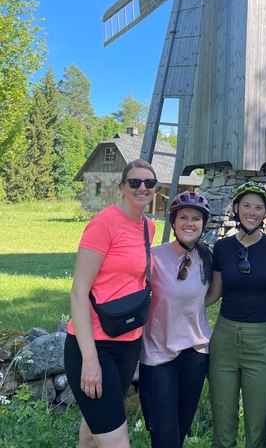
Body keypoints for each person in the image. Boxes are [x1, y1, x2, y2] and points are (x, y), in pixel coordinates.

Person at [64, 159, 156, 448]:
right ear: (122, 187)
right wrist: (90, 361)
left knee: (93, 433)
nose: (142, 188)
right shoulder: (103, 223)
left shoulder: (148, 228)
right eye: (135, 182)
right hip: (93, 343)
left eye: (149, 183)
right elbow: (79, 292)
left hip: (128, 341)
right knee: (117, 441)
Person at [207, 181, 266, 448]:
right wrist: (175, 305)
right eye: (246, 206)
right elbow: (214, 294)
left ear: (265, 212)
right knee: (223, 418)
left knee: (258, 424)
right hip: (225, 337)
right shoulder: (222, 248)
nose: (251, 212)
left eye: (258, 207)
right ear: (236, 208)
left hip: (261, 340)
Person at [139, 191, 213, 448]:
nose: (189, 223)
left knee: (179, 434)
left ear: (203, 224)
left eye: (196, 218)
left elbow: (211, 296)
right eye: (183, 217)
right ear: (173, 222)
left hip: (195, 353)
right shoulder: (153, 257)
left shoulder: (207, 258)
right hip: (159, 355)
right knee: (164, 436)